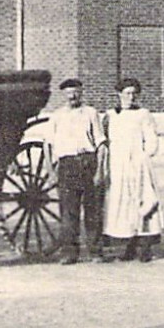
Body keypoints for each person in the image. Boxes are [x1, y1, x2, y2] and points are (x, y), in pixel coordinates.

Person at [102, 77, 164, 262]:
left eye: (133, 94)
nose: (130, 97)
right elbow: (105, 140)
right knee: (121, 204)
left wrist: (144, 155)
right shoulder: (111, 115)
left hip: (138, 165)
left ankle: (145, 247)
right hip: (118, 166)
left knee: (143, 202)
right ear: (119, 94)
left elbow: (151, 139)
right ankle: (127, 246)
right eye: (127, 93)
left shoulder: (143, 114)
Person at [45, 77, 105, 265]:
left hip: (88, 162)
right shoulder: (56, 116)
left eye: (76, 92)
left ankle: (95, 251)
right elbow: (48, 145)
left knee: (92, 211)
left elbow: (101, 144)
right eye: (69, 93)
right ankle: (70, 252)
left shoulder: (91, 113)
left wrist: (99, 171)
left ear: (81, 93)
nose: (73, 96)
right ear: (64, 95)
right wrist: (51, 172)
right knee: (68, 212)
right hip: (67, 165)